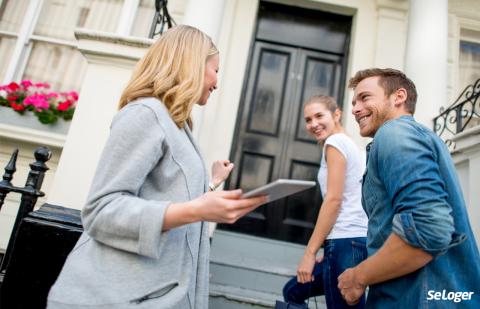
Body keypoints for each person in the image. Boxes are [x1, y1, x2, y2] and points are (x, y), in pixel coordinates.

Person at [47, 25, 267, 309]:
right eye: (215, 70)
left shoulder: (177, 124)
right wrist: (197, 209)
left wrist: (211, 185)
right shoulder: (144, 115)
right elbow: (101, 210)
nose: (216, 82)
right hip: (114, 298)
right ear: (190, 65)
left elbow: (163, 196)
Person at [338, 68, 480, 308]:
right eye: (353, 102)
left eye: (364, 97)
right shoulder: (415, 136)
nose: (355, 109)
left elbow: (429, 229)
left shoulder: (394, 133)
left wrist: (358, 277)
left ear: (398, 97)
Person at [282, 95, 368, 308]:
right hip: (349, 241)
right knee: (293, 291)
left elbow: (334, 200)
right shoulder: (350, 144)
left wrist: (309, 254)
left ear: (336, 114)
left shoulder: (335, 143)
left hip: (346, 240)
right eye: (308, 120)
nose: (313, 124)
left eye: (319, 116)